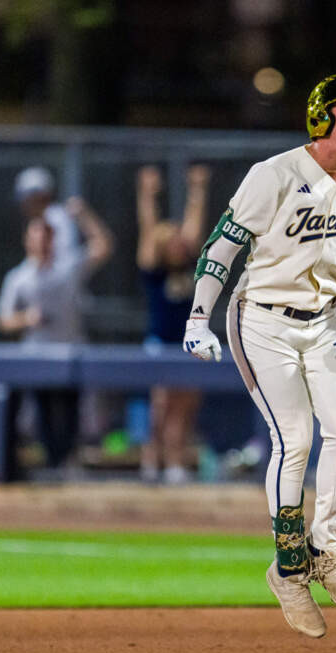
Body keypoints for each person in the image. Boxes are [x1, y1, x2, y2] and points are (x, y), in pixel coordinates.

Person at [182, 73, 336, 638]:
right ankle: (290, 570)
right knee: (293, 440)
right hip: (261, 318)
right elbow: (222, 246)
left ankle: (324, 550)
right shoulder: (273, 173)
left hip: (325, 323)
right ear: (322, 116)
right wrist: (198, 316)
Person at [0, 198, 114, 478]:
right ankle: (53, 467)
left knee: (70, 416)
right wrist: (27, 318)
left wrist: (84, 215)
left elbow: (104, 246)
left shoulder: (67, 268)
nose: (42, 241)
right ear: (27, 240)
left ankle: (67, 466)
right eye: (37, 235)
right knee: (44, 417)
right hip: (37, 358)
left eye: (47, 235)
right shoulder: (19, 278)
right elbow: (4, 321)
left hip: (70, 355)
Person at [135, 163, 211, 485]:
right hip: (161, 342)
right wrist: (146, 194)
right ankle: (152, 459)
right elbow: (148, 230)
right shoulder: (155, 271)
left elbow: (194, 228)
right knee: (161, 405)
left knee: (186, 405)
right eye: (173, 241)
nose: (179, 244)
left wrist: (198, 190)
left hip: (188, 344)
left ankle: (176, 462)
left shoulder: (192, 267)